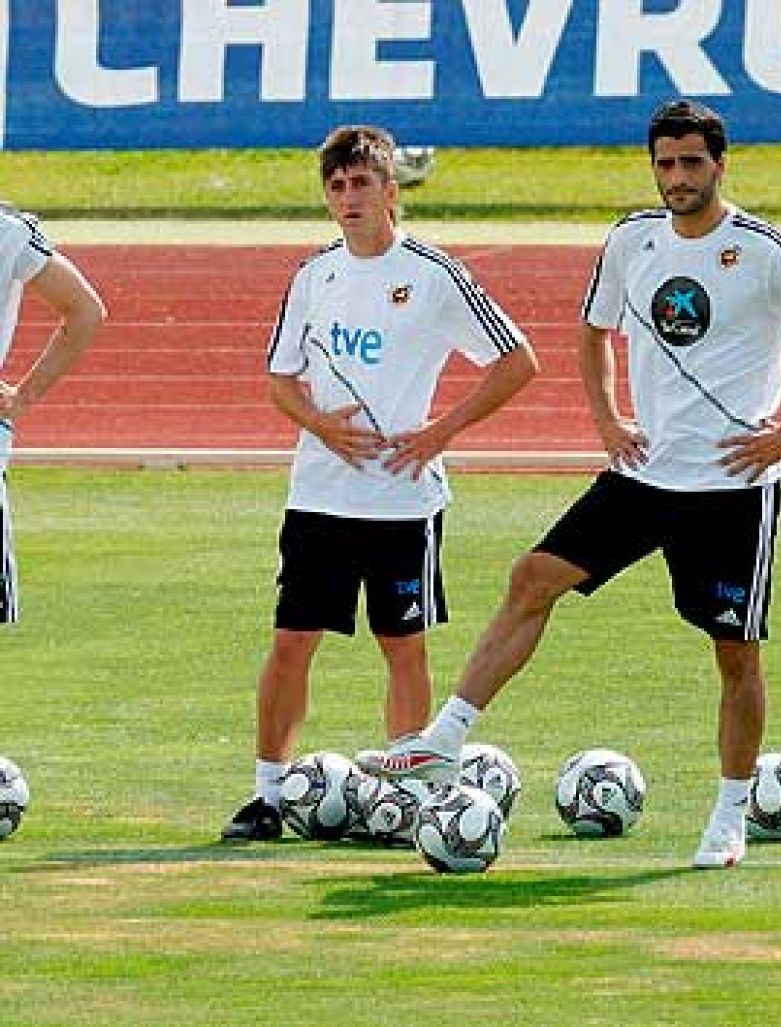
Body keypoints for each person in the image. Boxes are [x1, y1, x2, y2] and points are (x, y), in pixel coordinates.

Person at [362, 99, 781, 869]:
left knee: (736, 655)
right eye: (666, 163)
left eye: (692, 162)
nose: (678, 176)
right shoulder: (632, 240)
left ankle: (730, 815)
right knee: (533, 576)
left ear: (720, 164)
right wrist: (607, 417)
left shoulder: (765, 250)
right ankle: (445, 737)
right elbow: (594, 329)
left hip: (732, 488)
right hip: (643, 475)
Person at [222, 125, 538, 841]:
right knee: (292, 641)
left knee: (403, 645)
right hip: (319, 496)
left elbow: (518, 361)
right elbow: (280, 379)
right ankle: (266, 794)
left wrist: (441, 431)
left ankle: (406, 795)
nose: (348, 197)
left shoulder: (433, 275)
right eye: (336, 186)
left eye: (361, 183)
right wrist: (320, 425)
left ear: (391, 191)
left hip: (402, 500)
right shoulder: (314, 275)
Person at [0, 206, 107, 622]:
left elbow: (85, 311)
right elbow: (85, 310)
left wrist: (22, 398)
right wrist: (22, 399)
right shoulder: (8, 231)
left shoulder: (8, 232)